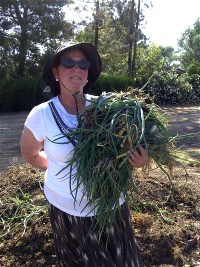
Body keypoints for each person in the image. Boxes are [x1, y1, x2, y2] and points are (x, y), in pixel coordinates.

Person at [20, 41, 146, 267]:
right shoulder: (41, 115)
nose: (77, 68)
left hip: (111, 206)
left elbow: (130, 146)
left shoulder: (107, 109)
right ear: (56, 72)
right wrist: (58, 167)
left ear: (88, 75)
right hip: (68, 211)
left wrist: (139, 161)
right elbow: (30, 154)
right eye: (68, 63)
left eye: (84, 65)